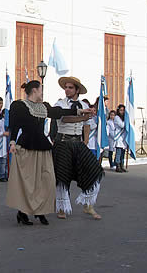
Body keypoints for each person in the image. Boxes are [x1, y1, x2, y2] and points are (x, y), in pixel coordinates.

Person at [7, 80, 91, 225]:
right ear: (34, 91)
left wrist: (80, 111)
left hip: (43, 147)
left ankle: (40, 211)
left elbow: (59, 112)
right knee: (28, 182)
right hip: (26, 147)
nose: (42, 93)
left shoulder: (44, 106)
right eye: (40, 90)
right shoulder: (18, 106)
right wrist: (12, 142)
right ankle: (23, 212)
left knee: (47, 180)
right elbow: (13, 126)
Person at [52, 76, 102, 220]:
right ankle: (61, 207)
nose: (67, 90)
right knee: (62, 176)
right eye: (66, 87)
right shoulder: (60, 103)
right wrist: (83, 117)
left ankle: (88, 204)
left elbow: (87, 126)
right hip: (63, 142)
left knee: (95, 171)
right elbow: (64, 118)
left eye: (70, 87)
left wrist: (85, 141)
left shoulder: (82, 104)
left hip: (78, 143)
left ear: (77, 90)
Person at [113, 105, 128, 173]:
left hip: (123, 138)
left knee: (123, 153)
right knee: (118, 152)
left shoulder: (124, 118)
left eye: (123, 110)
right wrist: (127, 122)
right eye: (121, 110)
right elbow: (122, 125)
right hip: (119, 137)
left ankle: (122, 166)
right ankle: (117, 166)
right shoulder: (116, 117)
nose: (122, 112)